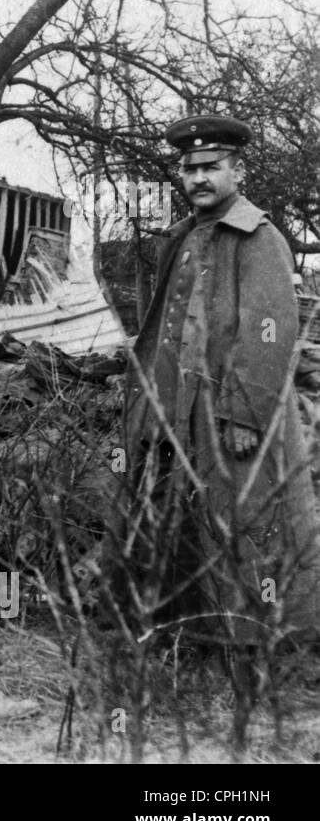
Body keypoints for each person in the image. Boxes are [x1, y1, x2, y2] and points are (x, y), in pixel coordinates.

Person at [112, 113, 320, 645]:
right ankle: (187, 631)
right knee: (176, 518)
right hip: (175, 409)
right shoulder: (182, 237)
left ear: (238, 171)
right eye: (190, 169)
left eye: (212, 167)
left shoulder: (260, 237)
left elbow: (269, 331)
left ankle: (255, 639)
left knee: (244, 522)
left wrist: (244, 413)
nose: (199, 178)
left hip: (230, 412)